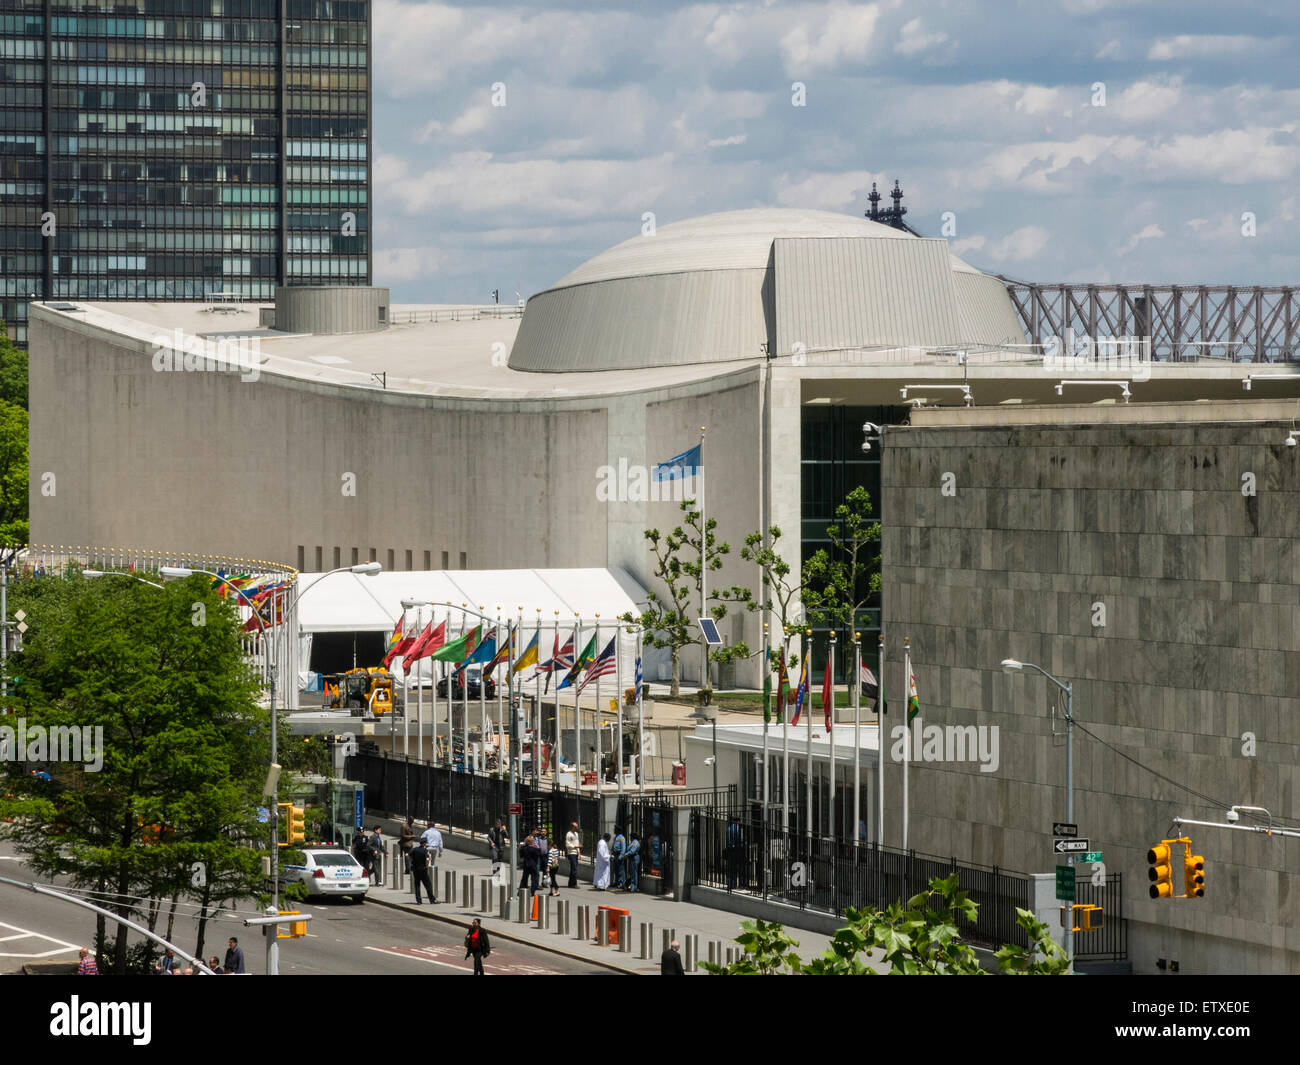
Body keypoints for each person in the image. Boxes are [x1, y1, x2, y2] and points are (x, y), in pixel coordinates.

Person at [409, 839, 435, 904]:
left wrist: (412, 863)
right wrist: (426, 866)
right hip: (423, 870)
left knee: (417, 885)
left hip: (415, 869)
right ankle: (432, 900)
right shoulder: (425, 850)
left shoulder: (415, 849)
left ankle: (419, 901)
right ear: (424, 844)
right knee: (428, 885)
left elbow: (408, 856)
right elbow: (427, 859)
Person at [420, 822, 444, 889]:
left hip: (428, 848)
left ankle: (428, 876)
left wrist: (422, 847)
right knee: (432, 862)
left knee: (427, 862)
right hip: (435, 848)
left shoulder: (426, 832)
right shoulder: (438, 833)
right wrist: (440, 851)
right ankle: (432, 874)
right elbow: (440, 842)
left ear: (429, 826)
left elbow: (422, 839)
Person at [725, 815, 745, 891]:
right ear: (738, 821)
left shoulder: (729, 829)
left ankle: (732, 884)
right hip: (738, 850)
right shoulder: (739, 829)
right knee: (740, 868)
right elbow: (742, 839)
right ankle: (741, 884)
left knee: (731, 868)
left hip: (730, 850)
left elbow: (728, 840)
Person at [565, 821, 581, 888]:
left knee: (573, 869)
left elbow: (577, 843)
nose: (576, 828)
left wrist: (579, 853)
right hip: (571, 853)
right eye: (575, 827)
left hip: (576, 852)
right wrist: (574, 847)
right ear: (572, 827)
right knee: (574, 869)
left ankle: (570, 884)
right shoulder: (568, 834)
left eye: (577, 826)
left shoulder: (576, 834)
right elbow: (567, 844)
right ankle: (574, 884)